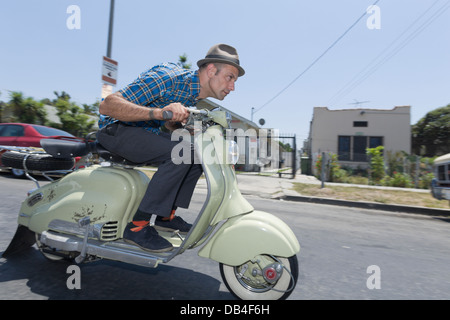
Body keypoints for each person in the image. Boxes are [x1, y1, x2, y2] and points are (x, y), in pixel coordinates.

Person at [97, 44, 245, 252]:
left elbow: (168, 124)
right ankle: (137, 227)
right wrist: (159, 113)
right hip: (115, 129)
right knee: (183, 153)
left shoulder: (192, 97)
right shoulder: (168, 76)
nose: (232, 87)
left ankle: (166, 217)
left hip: (144, 135)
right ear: (211, 70)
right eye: (230, 77)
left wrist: (180, 126)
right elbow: (108, 105)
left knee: (196, 155)